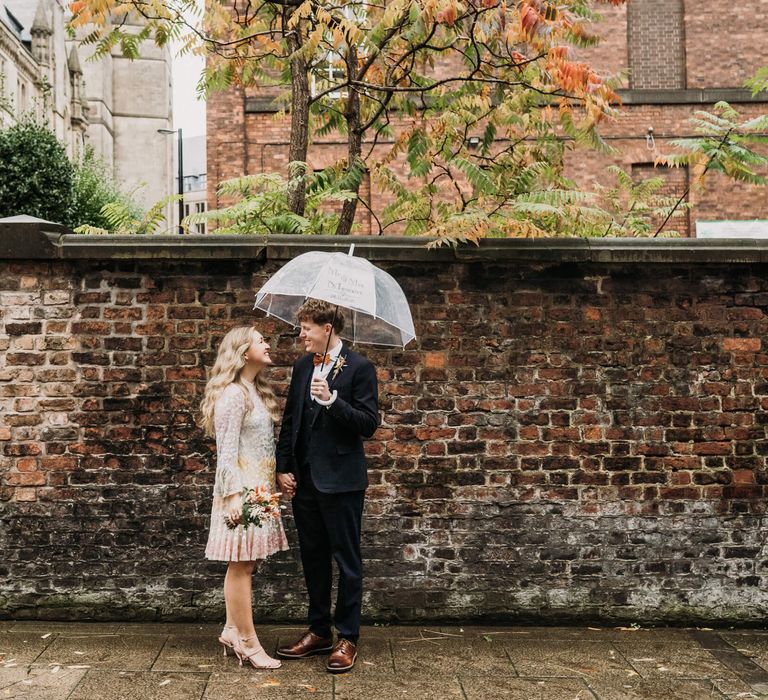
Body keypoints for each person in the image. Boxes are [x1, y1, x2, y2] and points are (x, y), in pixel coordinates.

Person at [275, 299, 379, 673]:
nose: (301, 335)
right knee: (313, 557)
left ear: (327, 329)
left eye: (306, 328)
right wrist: (282, 466)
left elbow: (368, 423)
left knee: (346, 561)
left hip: (342, 482)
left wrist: (333, 401)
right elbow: (291, 420)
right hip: (304, 481)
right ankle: (318, 631)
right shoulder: (303, 366)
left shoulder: (361, 368)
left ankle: (347, 637)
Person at [200, 325, 289, 670]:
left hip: (260, 490)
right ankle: (248, 643)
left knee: (247, 564)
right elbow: (226, 453)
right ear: (241, 351)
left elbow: (261, 446)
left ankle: (230, 630)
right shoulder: (234, 394)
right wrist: (234, 496)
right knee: (241, 566)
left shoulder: (255, 390)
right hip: (241, 492)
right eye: (260, 340)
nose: (267, 344)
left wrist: (279, 475)